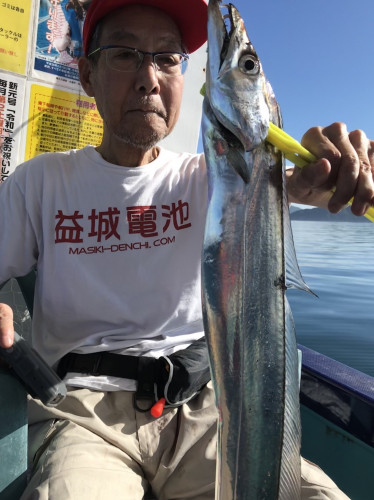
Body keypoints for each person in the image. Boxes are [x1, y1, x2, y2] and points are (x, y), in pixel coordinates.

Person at [0, 0, 373, 498]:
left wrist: (327, 174)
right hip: (84, 412)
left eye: (168, 58)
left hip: (206, 408)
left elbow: (295, 185)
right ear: (87, 74)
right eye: (125, 54)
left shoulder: (210, 178)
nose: (149, 77)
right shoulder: (39, 183)